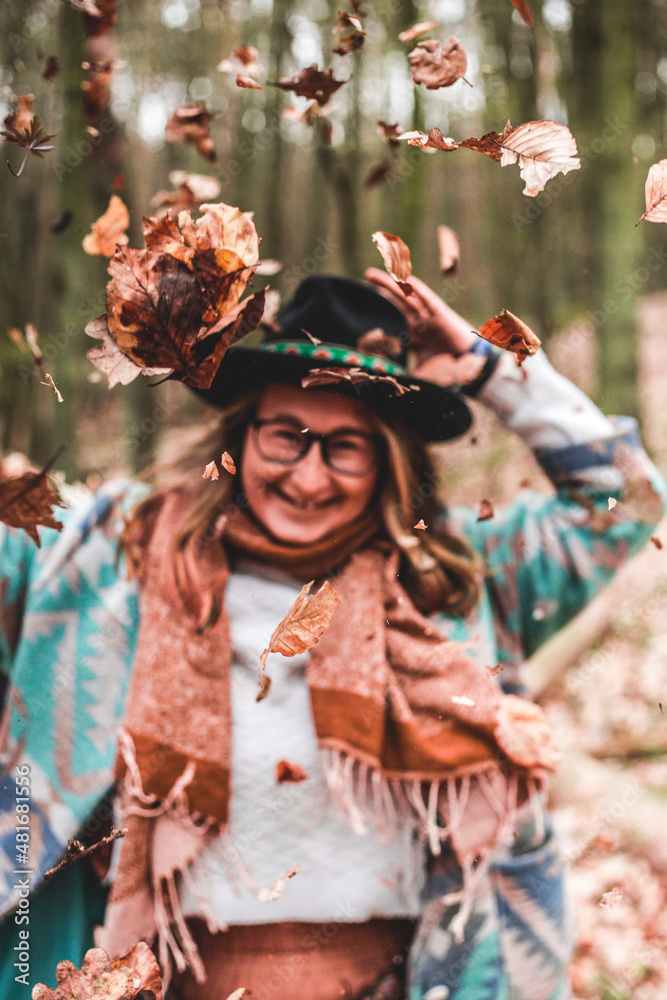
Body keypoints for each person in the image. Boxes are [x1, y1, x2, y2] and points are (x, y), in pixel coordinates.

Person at [0, 272, 664, 1000]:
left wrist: (488, 367)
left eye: (345, 446)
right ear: (242, 433)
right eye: (287, 435)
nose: (308, 477)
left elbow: (624, 500)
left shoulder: (456, 583)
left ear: (387, 460)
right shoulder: (121, 564)